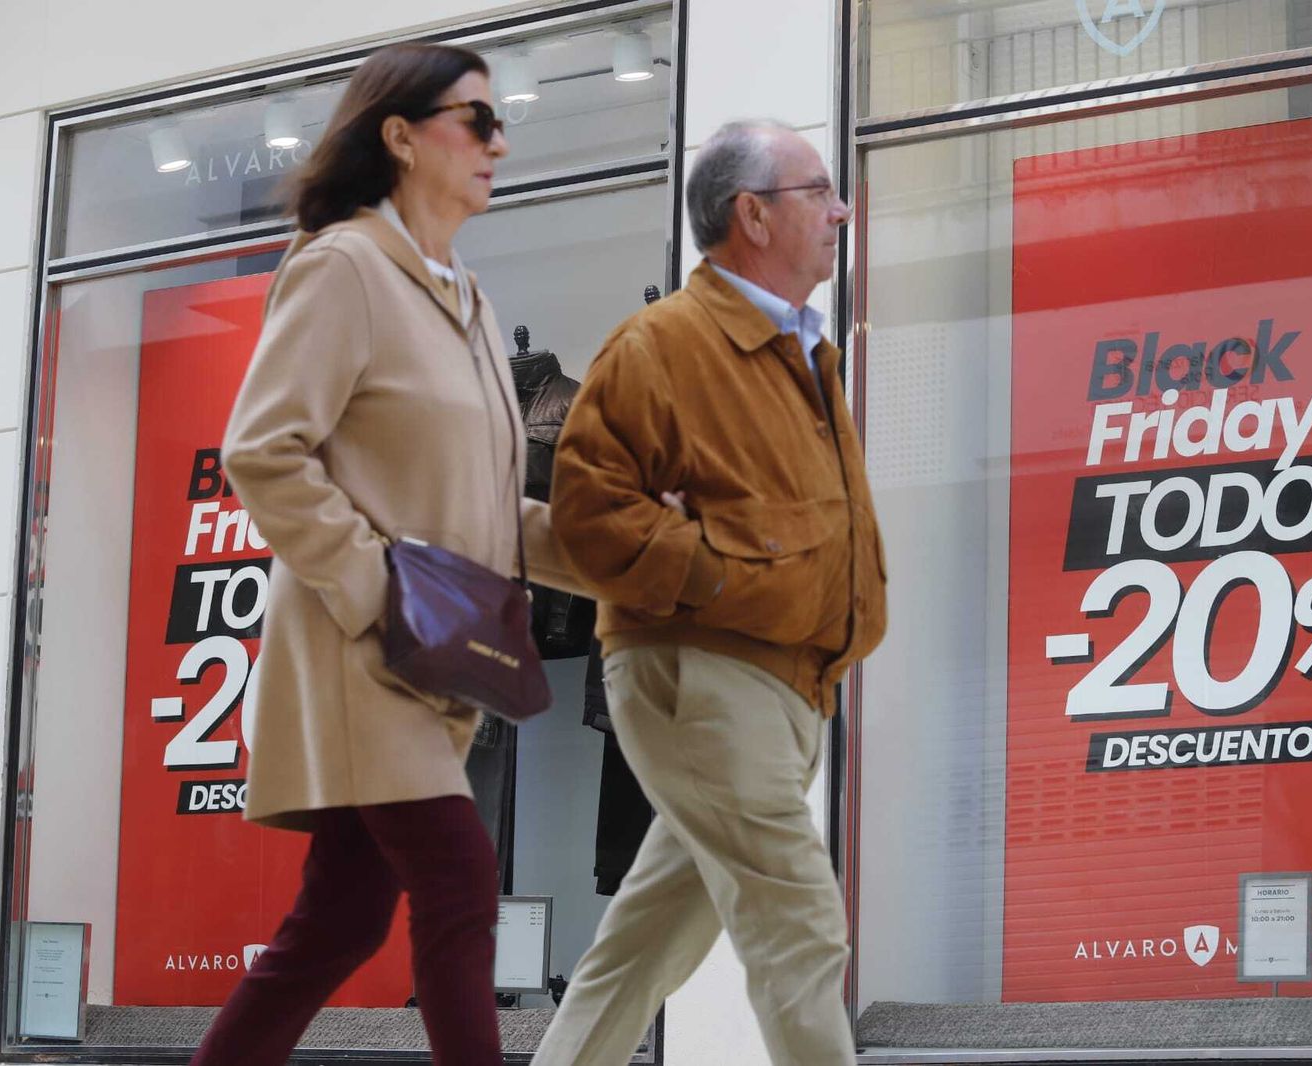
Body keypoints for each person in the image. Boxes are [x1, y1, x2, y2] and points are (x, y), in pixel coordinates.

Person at [190, 43, 581, 1066]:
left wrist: (640, 561)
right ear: (401, 136)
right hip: (362, 653)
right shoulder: (342, 268)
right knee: (460, 884)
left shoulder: (469, 303)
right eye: (477, 120)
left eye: (500, 122)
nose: (498, 143)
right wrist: (378, 592)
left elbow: (495, 510)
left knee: (339, 923)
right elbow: (264, 451)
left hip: (436, 663)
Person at [536, 120, 888, 1066]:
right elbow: (587, 513)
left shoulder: (802, 355)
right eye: (820, 192)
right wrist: (713, 572)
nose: (841, 210)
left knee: (643, 947)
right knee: (801, 928)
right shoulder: (663, 346)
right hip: (706, 674)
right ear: (753, 216)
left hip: (785, 684)